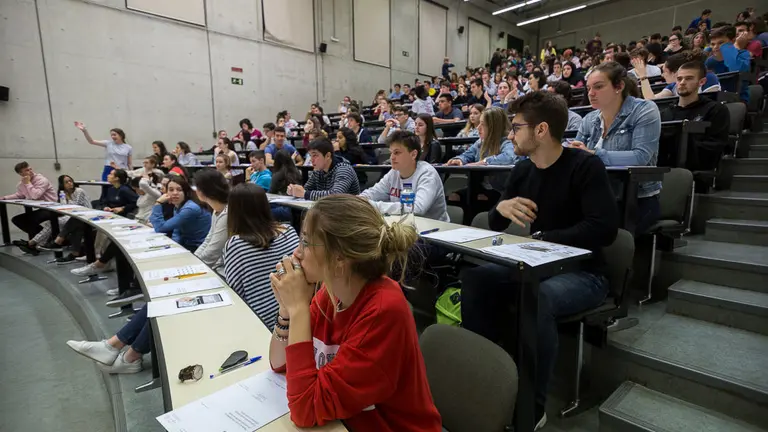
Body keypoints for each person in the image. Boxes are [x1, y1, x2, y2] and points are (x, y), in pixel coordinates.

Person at [462, 91, 619, 431]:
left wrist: (544, 239)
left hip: (585, 273)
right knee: (476, 279)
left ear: (542, 130)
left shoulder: (585, 166)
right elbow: (497, 221)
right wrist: (498, 209)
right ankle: (485, 377)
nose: (510, 134)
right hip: (534, 265)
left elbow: (604, 228)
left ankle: (531, 407)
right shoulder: (521, 170)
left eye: (516, 127)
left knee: (539, 298)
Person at [268, 194, 442, 431]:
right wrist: (286, 309)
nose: (296, 253)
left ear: (339, 258)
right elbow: (280, 365)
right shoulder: (331, 292)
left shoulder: (383, 311)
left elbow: (305, 409)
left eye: (307, 243)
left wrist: (299, 308)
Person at [570, 61, 662, 233]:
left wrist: (592, 155)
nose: (591, 93)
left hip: (636, 200)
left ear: (618, 86)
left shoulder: (645, 110)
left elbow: (641, 157)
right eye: (588, 88)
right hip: (596, 197)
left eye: (598, 87)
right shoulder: (589, 119)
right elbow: (576, 156)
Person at [223, 183, 300, 325]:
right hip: (298, 313)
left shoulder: (236, 245)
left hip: (263, 322)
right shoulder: (289, 231)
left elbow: (236, 294)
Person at [44, 169, 137, 263]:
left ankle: (59, 241)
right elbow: (103, 202)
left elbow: (136, 202)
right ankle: (77, 253)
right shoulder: (110, 189)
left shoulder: (125, 190)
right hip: (106, 214)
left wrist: (123, 208)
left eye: (111, 174)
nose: (108, 176)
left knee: (78, 221)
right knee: (78, 223)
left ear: (117, 178)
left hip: (118, 218)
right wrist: (105, 207)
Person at [361, 130, 448, 221]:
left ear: (413, 154)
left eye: (397, 152)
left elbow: (417, 209)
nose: (392, 157)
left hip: (434, 231)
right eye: (391, 153)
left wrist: (373, 206)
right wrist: (358, 200)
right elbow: (373, 192)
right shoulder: (394, 172)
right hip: (404, 227)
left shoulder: (427, 174)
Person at [659, 61, 730, 171]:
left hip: (695, 171)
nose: (682, 82)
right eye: (679, 79)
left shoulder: (715, 110)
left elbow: (715, 147)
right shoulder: (665, 113)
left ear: (702, 82)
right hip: (662, 170)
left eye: (689, 78)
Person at [446, 107, 520, 210]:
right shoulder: (481, 142)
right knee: (454, 197)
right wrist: (459, 159)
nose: (478, 127)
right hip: (479, 187)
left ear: (494, 127)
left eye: (483, 124)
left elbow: (509, 157)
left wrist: (484, 162)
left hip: (501, 190)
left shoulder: (507, 141)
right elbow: (468, 154)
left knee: (478, 199)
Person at [13, 174, 91, 256]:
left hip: (84, 214)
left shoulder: (78, 191)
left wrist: (65, 199)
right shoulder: (63, 193)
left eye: (70, 181)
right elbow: (63, 206)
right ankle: (36, 244)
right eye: (66, 182)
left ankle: (33, 243)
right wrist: (63, 198)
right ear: (62, 185)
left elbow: (74, 206)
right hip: (73, 215)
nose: (70, 183)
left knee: (54, 222)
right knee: (52, 222)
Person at [150, 175, 211, 251]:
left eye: (179, 190)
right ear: (166, 192)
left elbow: (160, 228)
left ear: (185, 192)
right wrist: (173, 248)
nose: (175, 193)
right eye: (171, 190)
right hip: (187, 244)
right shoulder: (179, 205)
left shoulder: (190, 208)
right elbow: (177, 231)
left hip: (198, 247)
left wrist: (158, 203)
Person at [287, 137, 360, 201]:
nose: (311, 160)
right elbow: (306, 189)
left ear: (328, 156)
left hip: (349, 213)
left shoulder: (344, 169)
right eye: (310, 156)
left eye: (315, 155)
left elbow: (336, 195)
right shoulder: (318, 170)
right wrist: (294, 190)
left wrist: (305, 193)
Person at [1, 162, 57, 238]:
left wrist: (27, 183)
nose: (30, 171)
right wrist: (5, 197)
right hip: (42, 208)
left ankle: (41, 239)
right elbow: (20, 195)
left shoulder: (42, 180)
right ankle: (44, 237)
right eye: (27, 170)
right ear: (21, 173)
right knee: (17, 220)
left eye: (30, 169)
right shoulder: (22, 183)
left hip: (52, 208)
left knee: (30, 220)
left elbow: (35, 196)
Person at [636, 51, 721, 99]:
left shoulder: (709, 77)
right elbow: (651, 100)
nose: (662, 75)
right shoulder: (673, 86)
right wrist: (643, 76)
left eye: (665, 71)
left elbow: (711, 102)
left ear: (676, 72)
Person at [192, 169, 230, 273]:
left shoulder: (227, 214)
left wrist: (193, 269)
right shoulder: (216, 209)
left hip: (226, 269)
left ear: (202, 191)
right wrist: (193, 260)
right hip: (218, 264)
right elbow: (209, 239)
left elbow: (212, 252)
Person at [706, 26, 751, 102]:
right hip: (715, 100)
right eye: (713, 44)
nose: (716, 47)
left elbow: (736, 68)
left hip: (737, 101)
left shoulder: (743, 55)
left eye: (721, 43)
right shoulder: (710, 61)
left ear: (733, 41)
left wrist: (735, 47)